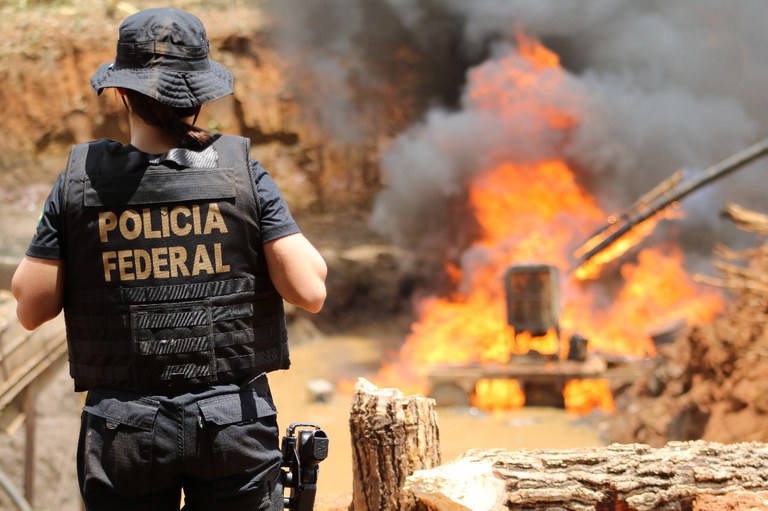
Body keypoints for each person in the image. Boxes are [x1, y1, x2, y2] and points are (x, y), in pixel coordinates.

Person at [11, 7, 327, 511]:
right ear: (200, 97)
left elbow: (30, 309)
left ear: (121, 94)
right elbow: (310, 292)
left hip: (124, 431)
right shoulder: (242, 170)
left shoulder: (80, 178)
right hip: (232, 425)